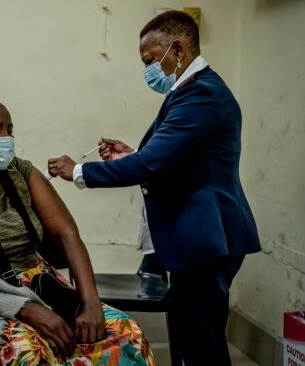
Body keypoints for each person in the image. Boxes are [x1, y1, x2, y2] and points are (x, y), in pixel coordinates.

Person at [48, 11, 261, 365]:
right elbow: (173, 157)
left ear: (177, 48)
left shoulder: (202, 95)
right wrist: (130, 155)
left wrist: (80, 171)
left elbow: (153, 164)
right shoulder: (189, 91)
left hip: (207, 235)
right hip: (196, 236)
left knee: (201, 343)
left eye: (150, 60)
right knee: (189, 334)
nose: (147, 69)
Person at [0, 91, 155, 365]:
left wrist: (91, 303)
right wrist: (24, 309)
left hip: (38, 287)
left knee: (126, 333)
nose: (6, 138)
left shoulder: (21, 173)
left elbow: (66, 235)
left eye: (9, 130)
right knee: (28, 351)